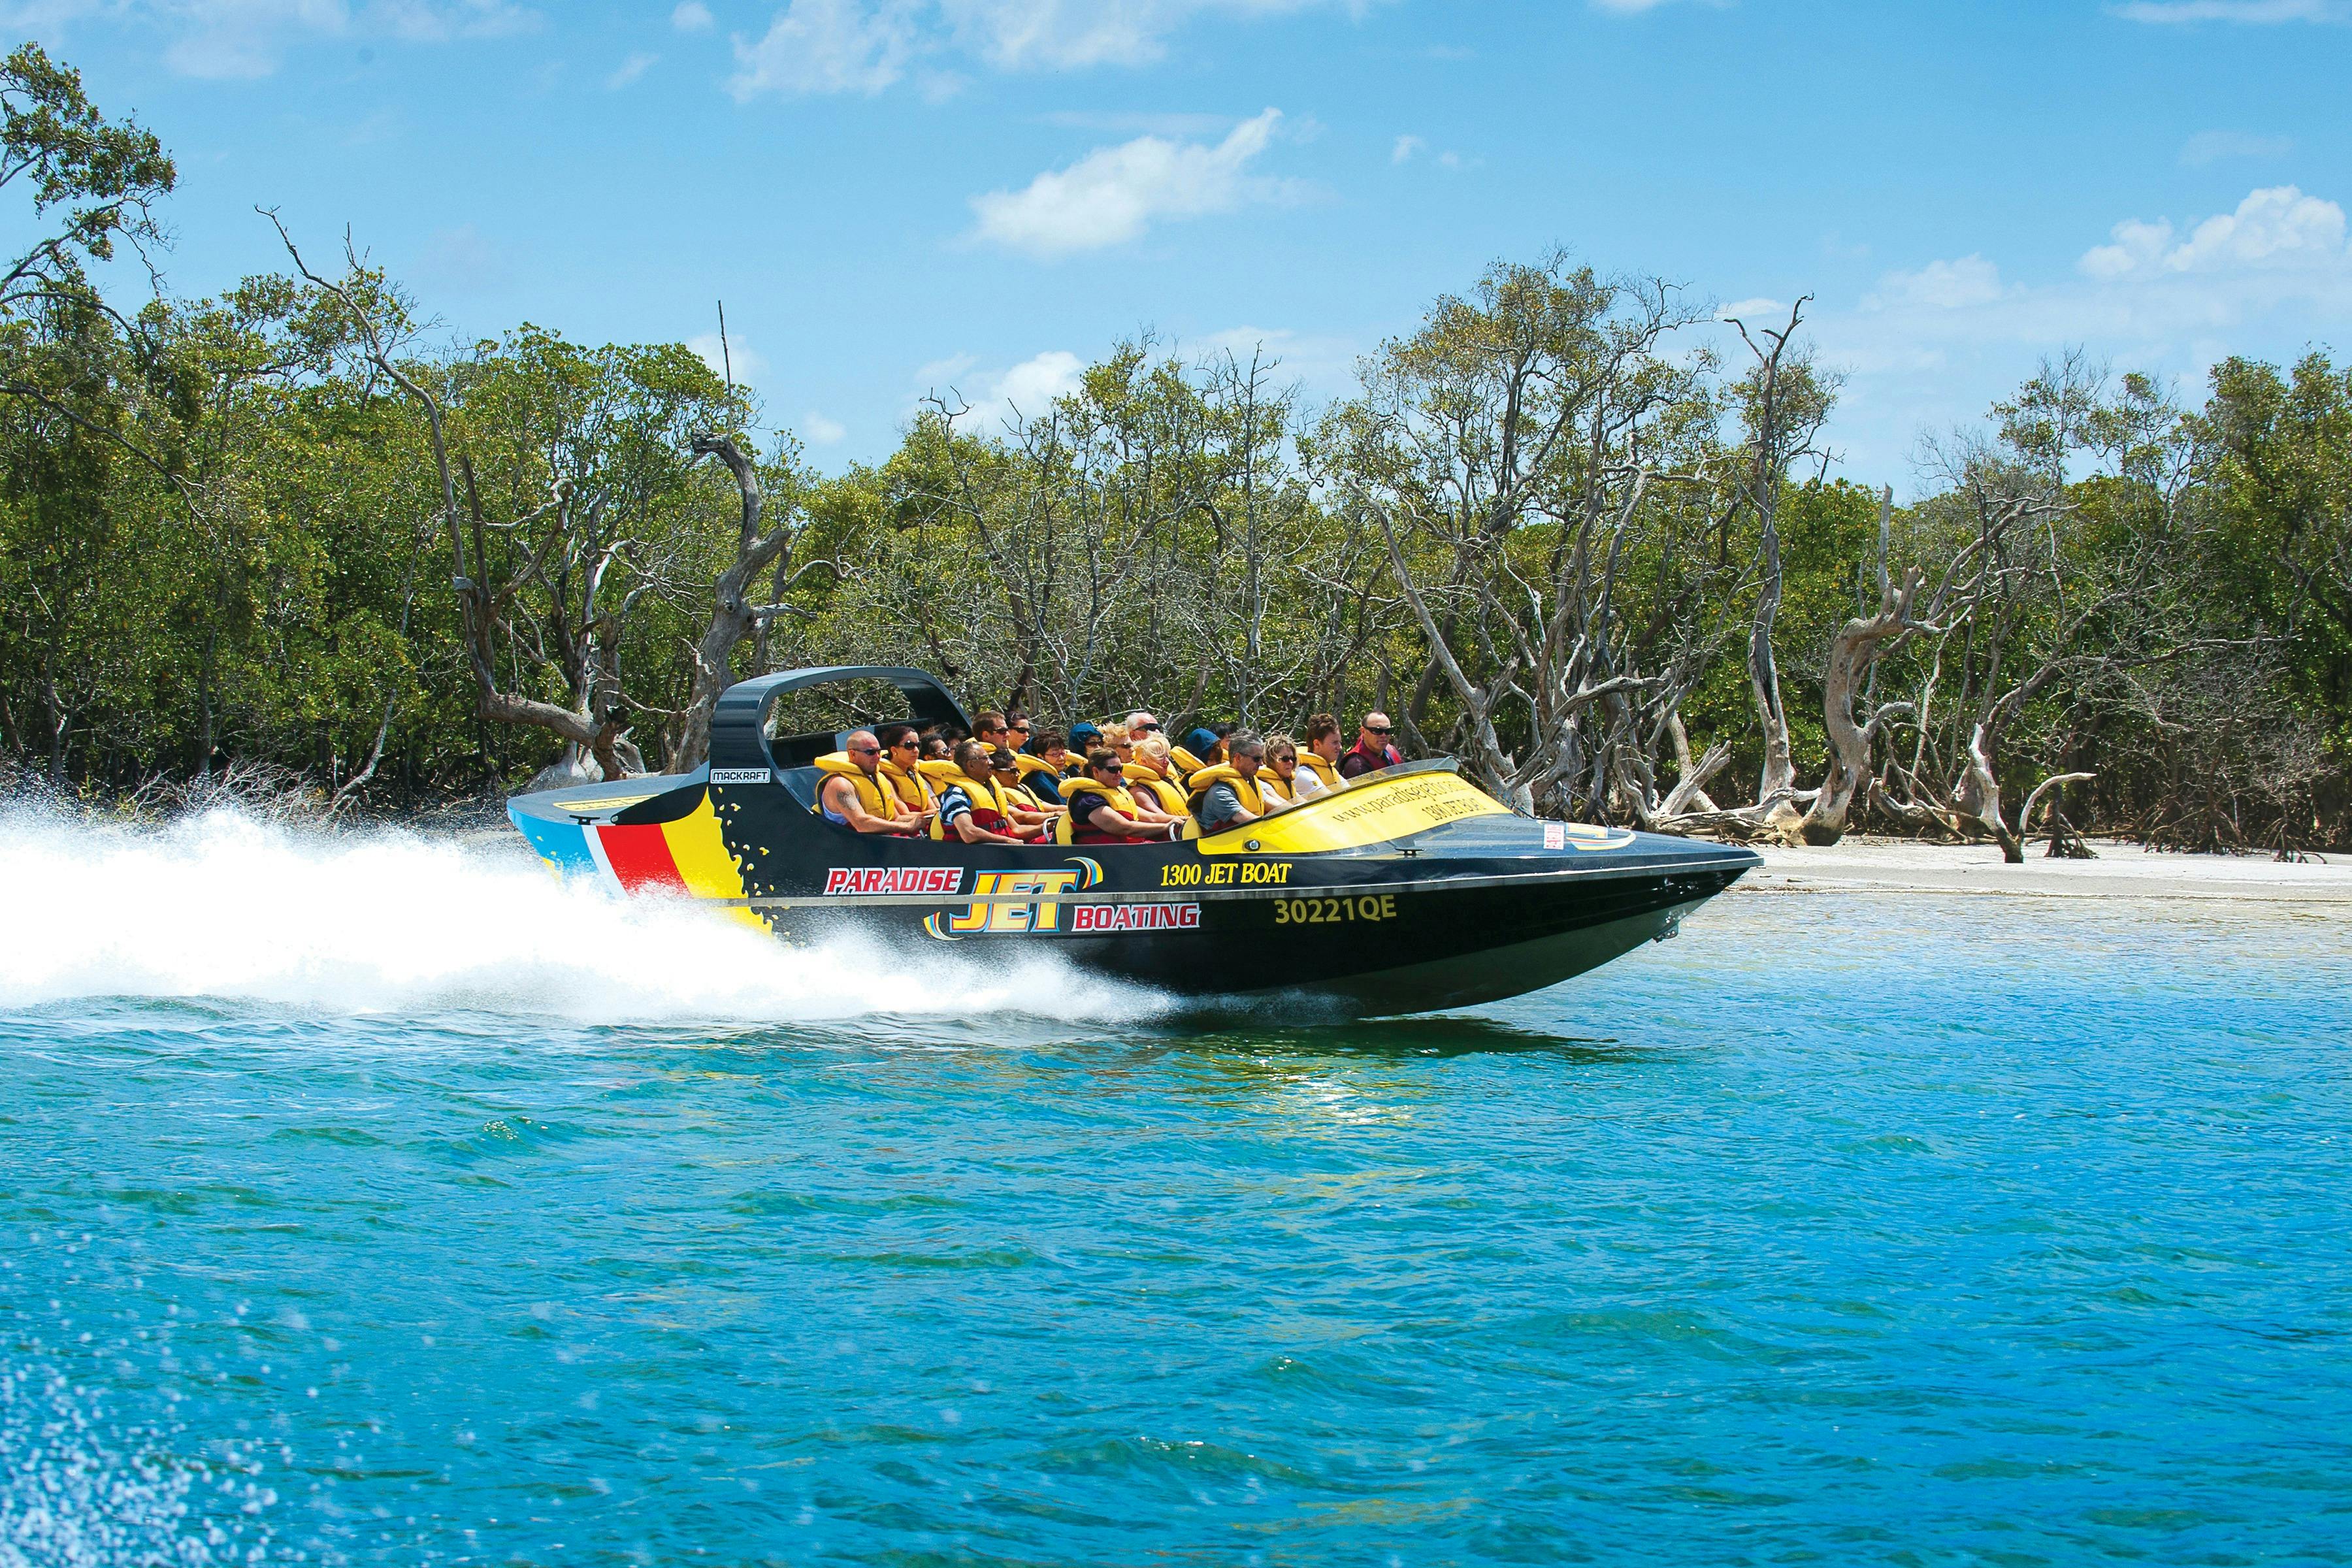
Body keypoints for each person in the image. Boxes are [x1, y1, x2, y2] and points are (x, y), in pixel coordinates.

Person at [817, 729, 928, 835]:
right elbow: (861, 824)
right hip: (853, 848)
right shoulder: (840, 784)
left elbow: (896, 818)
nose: (877, 757)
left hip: (882, 845)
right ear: (853, 754)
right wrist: (909, 827)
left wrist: (929, 817)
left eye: (878, 751)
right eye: (871, 752)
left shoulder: (878, 778)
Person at [1062, 750, 1177, 843]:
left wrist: (1183, 820)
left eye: (1120, 769)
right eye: (1113, 770)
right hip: (1106, 858)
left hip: (1129, 851)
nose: (1119, 774)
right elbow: (1125, 828)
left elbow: (1152, 818)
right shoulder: (1087, 801)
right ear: (1096, 771)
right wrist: (1167, 827)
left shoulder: (1118, 793)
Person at [936, 740, 1029, 845]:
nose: (991, 762)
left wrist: (1049, 825)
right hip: (975, 856)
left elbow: (1017, 829)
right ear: (971, 765)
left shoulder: (990, 790)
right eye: (985, 758)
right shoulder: (955, 794)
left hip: (1003, 851)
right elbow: (969, 834)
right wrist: (1007, 841)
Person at [1190, 730, 1271, 833]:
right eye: (1256, 759)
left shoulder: (1250, 783)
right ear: (1238, 758)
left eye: (1262, 758)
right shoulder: (1220, 791)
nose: (1261, 763)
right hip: (1222, 847)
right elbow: (1249, 820)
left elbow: (1277, 805)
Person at [990, 747, 1059, 838]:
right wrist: (1054, 817)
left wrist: (1071, 810)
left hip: (1043, 832)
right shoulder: (997, 796)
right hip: (1030, 838)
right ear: (995, 774)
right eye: (1013, 771)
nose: (1018, 775)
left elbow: (1052, 807)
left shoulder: (1021, 789)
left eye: (1018, 771)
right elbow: (1022, 817)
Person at [874, 723, 936, 817]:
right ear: (894, 750)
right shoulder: (886, 778)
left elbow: (932, 808)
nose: (916, 750)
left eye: (918, 745)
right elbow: (904, 814)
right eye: (909, 746)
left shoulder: (913, 772)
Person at [1124, 735, 1189, 821]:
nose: (1167, 761)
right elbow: (1158, 818)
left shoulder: (1168, 781)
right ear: (1144, 761)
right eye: (1161, 757)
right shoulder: (1138, 791)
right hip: (1170, 831)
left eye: (1167, 756)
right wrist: (1189, 821)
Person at [1339, 711, 1403, 780]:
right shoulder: (1356, 765)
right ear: (1363, 731)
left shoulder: (1390, 751)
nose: (1384, 735)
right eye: (1377, 731)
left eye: (1388, 731)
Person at [1015, 728, 1070, 806]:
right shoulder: (1039, 780)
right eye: (1055, 754)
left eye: (1063, 753)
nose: (1061, 758)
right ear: (1041, 756)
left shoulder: (1063, 775)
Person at [1296, 714, 1344, 797]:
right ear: (1317, 744)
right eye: (1335, 742)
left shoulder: (1331, 770)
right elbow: (1333, 801)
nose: (1340, 747)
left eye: (1340, 742)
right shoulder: (1303, 774)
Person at [1260, 734, 1307, 810]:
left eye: (1293, 758)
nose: (1290, 762)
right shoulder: (1262, 783)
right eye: (1285, 759)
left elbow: (1305, 804)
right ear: (1271, 759)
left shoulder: (1287, 781)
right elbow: (1285, 807)